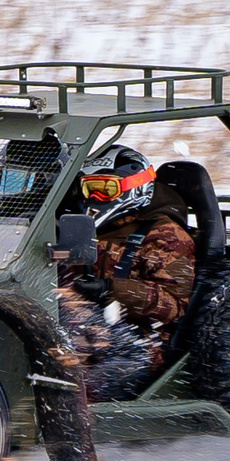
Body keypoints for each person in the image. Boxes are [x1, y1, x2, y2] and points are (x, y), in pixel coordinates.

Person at [58, 144, 200, 398]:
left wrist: (111, 290)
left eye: (107, 189)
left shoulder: (167, 236)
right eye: (91, 189)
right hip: (83, 324)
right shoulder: (82, 224)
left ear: (135, 187)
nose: (97, 198)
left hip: (141, 339)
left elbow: (173, 306)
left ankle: (67, 426)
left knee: (77, 383)